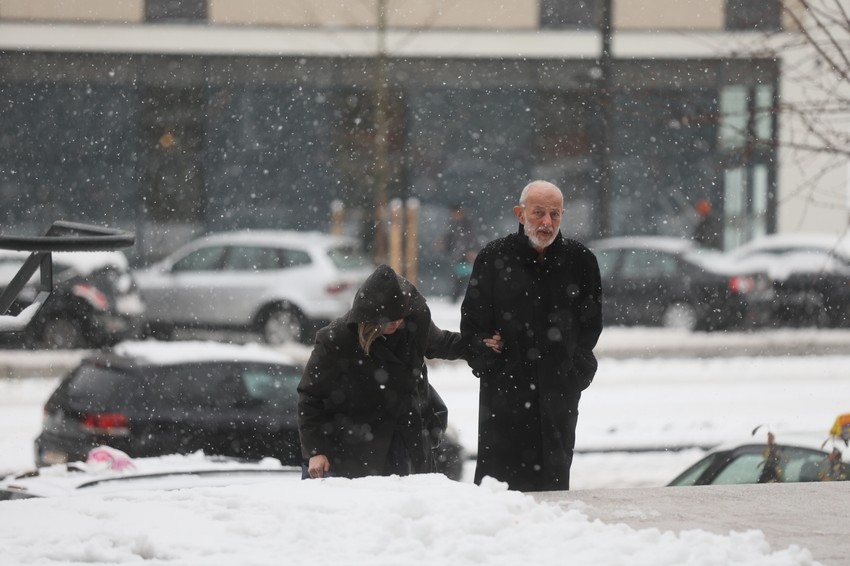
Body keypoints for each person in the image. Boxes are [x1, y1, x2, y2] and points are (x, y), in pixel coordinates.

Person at [460, 180, 603, 492]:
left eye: (555, 214)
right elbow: (472, 324)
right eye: (538, 213)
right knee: (500, 490)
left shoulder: (581, 262)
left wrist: (575, 371)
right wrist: (487, 353)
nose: (547, 222)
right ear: (520, 213)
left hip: (558, 393)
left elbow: (590, 326)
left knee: (552, 487)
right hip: (505, 394)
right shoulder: (494, 258)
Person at [297, 264, 469, 479]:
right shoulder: (336, 339)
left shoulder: (412, 324)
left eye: (400, 316)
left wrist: (482, 345)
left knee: (408, 506)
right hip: (353, 448)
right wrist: (315, 451)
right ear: (369, 317)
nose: (397, 322)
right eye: (390, 319)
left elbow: (442, 343)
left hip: (407, 441)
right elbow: (310, 397)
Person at [439, 204, 479, 302]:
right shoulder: (454, 223)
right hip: (459, 254)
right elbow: (451, 237)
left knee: (467, 277)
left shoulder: (468, 223)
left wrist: (472, 250)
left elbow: (472, 237)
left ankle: (466, 298)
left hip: (467, 254)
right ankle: (457, 298)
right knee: (460, 277)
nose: (453, 215)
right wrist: (444, 243)